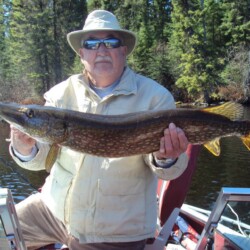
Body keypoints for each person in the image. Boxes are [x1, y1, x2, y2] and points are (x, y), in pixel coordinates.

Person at [10, 10, 189, 250]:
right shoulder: (60, 94)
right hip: (53, 211)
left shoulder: (155, 98)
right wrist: (24, 148)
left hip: (115, 229)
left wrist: (167, 158)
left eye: (111, 42)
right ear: (82, 53)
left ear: (123, 51)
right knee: (4, 228)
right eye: (92, 43)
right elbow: (42, 159)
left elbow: (170, 172)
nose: (101, 50)